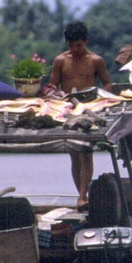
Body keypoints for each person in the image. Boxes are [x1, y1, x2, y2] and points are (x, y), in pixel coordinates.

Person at [49, 21, 111, 209]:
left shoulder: (95, 60)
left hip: (90, 110)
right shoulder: (60, 60)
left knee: (86, 153)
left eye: (79, 45)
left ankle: (82, 196)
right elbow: (52, 87)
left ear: (85, 41)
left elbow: (108, 84)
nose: (75, 49)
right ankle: (82, 196)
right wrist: (57, 96)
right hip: (68, 111)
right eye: (71, 45)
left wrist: (98, 98)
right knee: (74, 154)